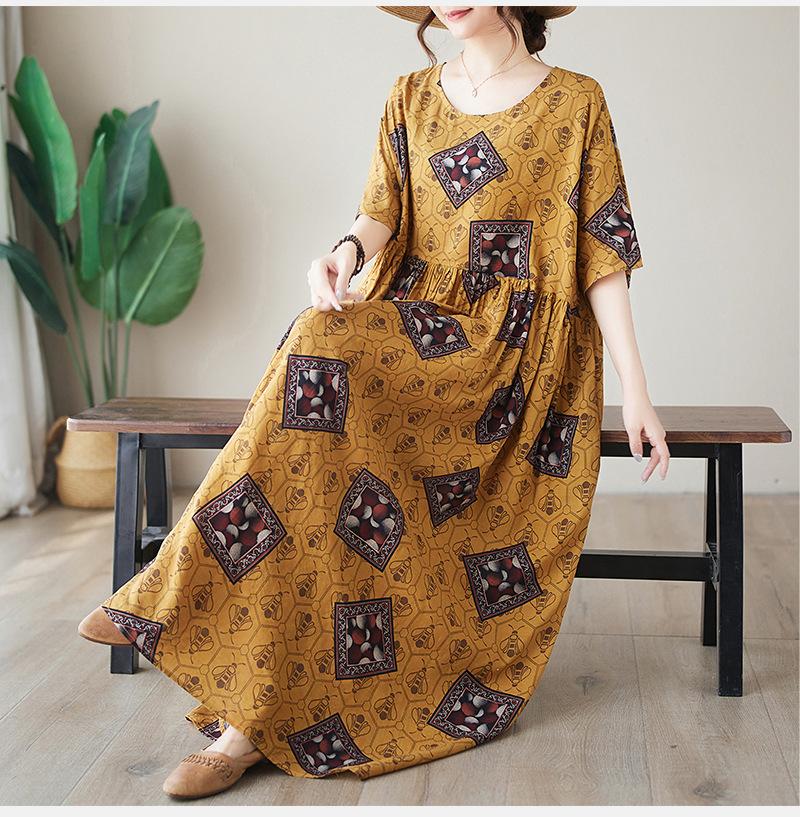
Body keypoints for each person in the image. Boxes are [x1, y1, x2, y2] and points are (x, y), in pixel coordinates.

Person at [78, 4, 670, 800]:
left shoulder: (575, 101)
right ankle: (243, 720)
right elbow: (380, 213)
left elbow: (603, 254)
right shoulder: (409, 95)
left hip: (510, 363)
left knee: (319, 379)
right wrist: (343, 253)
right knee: (315, 389)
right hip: (415, 330)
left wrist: (636, 389)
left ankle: (176, 607)